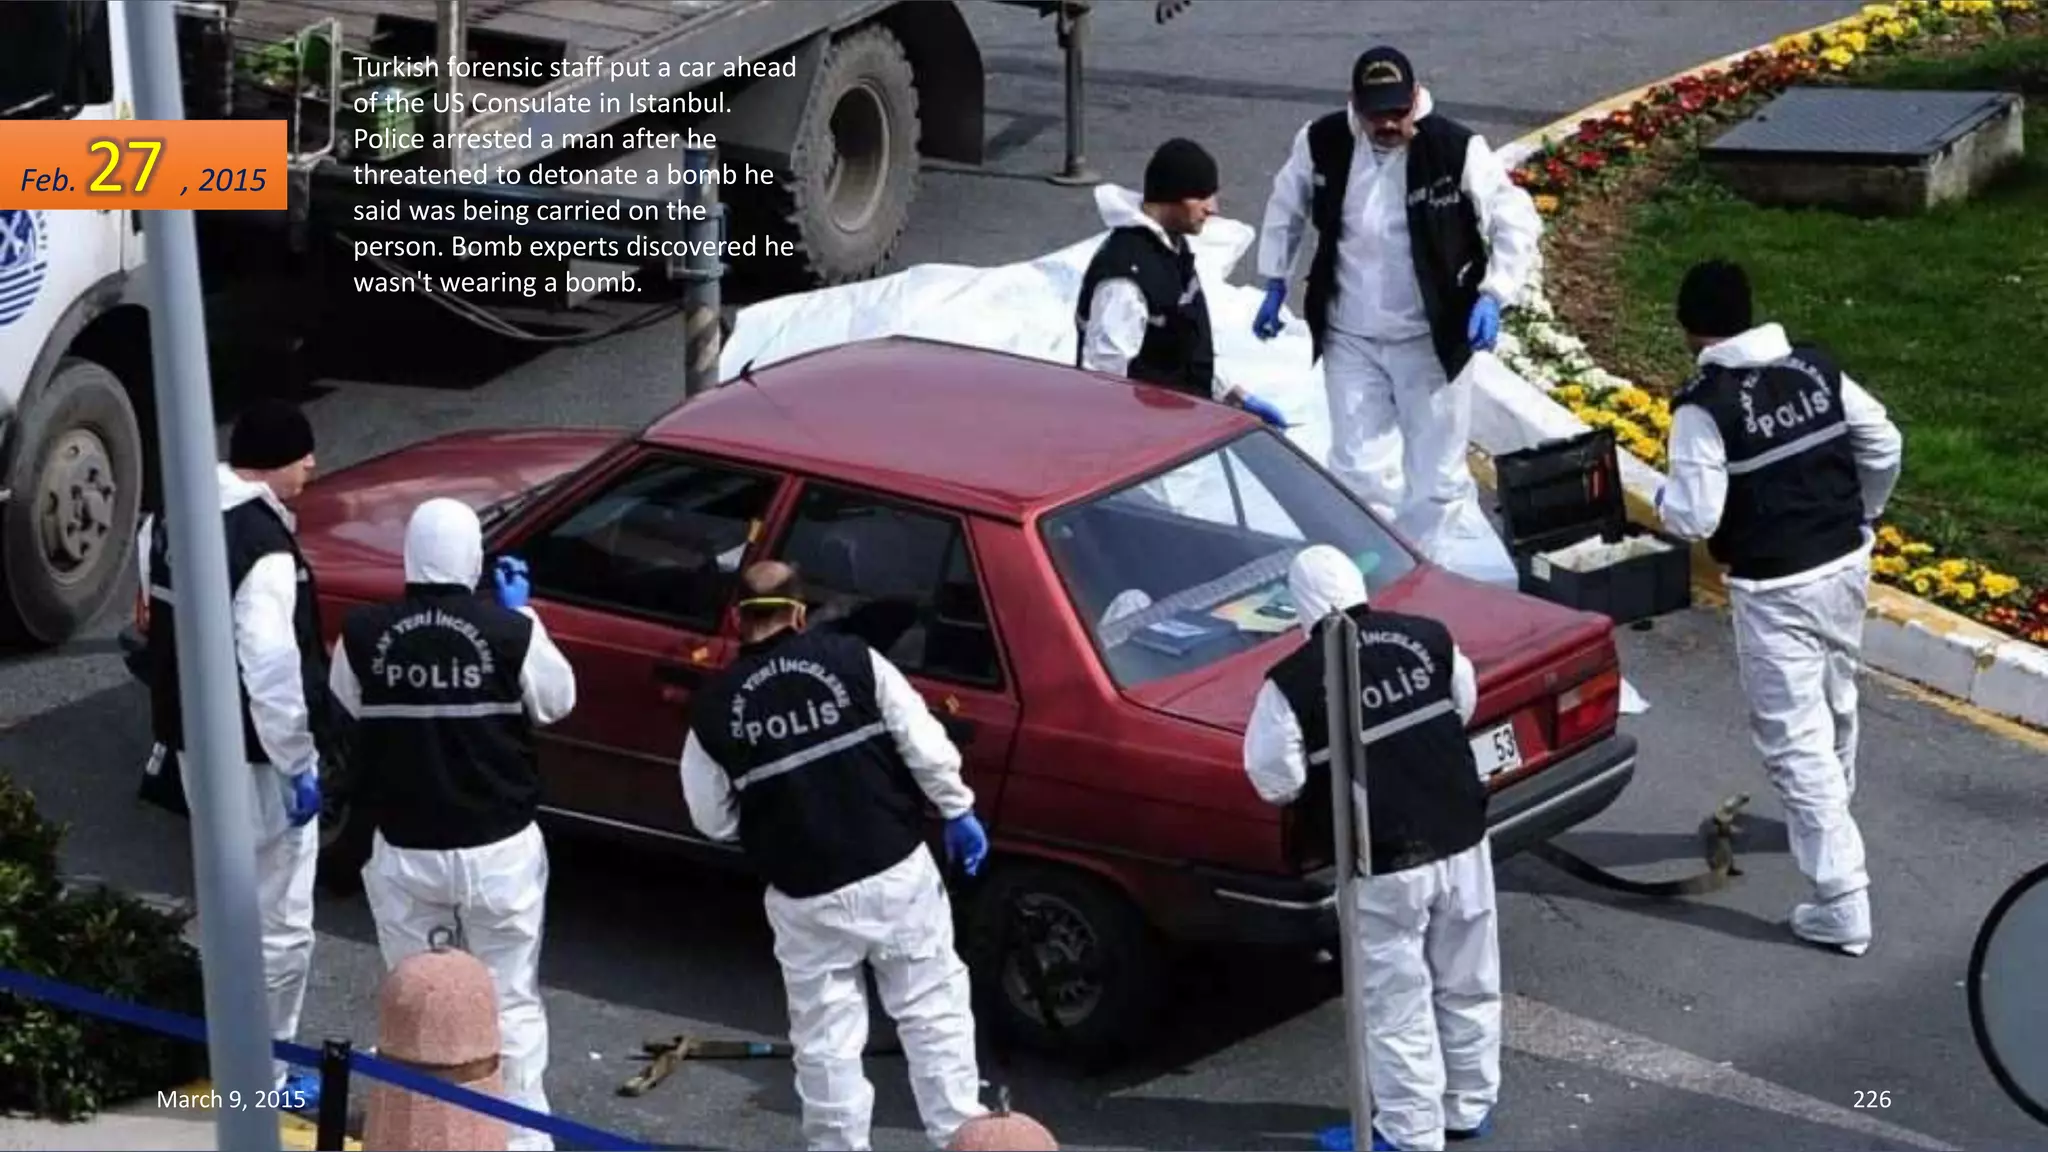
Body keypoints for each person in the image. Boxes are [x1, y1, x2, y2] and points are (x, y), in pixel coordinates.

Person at [680, 561, 992, 1152]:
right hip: (894, 867)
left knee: (825, 1038)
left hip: (805, 893)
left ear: (735, 620)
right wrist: (957, 810)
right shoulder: (854, 660)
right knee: (932, 1011)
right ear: (800, 613)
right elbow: (923, 744)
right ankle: (962, 1137)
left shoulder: (713, 709)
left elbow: (710, 818)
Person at [1656, 259, 1903, 957]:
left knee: (1794, 741)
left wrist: (1663, 494)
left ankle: (1841, 898)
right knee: (1837, 695)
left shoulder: (1703, 405)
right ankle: (1833, 813)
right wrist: (1865, 509)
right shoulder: (1816, 367)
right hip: (1846, 560)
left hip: (1774, 587)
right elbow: (1884, 442)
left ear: (1692, 333)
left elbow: (1695, 518)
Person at [328, 498, 578, 1150]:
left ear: (410, 555)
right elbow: (558, 701)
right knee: (511, 1000)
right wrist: (523, 612)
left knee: (418, 1005)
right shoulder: (507, 631)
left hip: (408, 849)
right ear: (474, 558)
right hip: (499, 848)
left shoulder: (363, 634)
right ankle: (522, 1141)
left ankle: (418, 1134)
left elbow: (346, 707)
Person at [1243, 545, 1499, 1152]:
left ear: (1298, 606)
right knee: (1469, 976)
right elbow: (1462, 702)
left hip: (1379, 856)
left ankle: (1409, 1133)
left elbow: (1274, 778)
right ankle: (1468, 1103)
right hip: (1461, 832)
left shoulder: (1294, 681)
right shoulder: (1427, 635)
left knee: (1395, 998)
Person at [1252, 46, 1542, 553]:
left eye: (1398, 111)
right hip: (1350, 334)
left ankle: (1431, 563)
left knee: (1436, 474)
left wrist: (1496, 293)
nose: (1388, 124)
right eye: (1376, 113)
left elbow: (1513, 218)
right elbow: (1286, 205)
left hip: (1430, 336)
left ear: (1416, 98)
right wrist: (1274, 277)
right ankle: (1375, 562)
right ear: (1354, 105)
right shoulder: (1321, 141)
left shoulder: (1455, 148)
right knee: (1356, 463)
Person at [139, 398, 331, 1111]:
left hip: (192, 744)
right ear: (276, 460)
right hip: (256, 758)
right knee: (280, 922)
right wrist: (299, 758)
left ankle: (226, 1053)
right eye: (305, 454)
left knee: (225, 904)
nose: (314, 465)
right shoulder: (262, 545)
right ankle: (264, 1077)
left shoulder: (169, 518)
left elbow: (149, 612)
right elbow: (273, 668)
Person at [1076, 136, 1291, 428]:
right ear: (1169, 197)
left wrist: (1230, 394)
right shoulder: (1126, 278)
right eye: (1200, 196)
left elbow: (1183, 345)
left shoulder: (1170, 247)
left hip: (1180, 428)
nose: (1212, 208)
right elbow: (1105, 379)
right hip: (1148, 442)